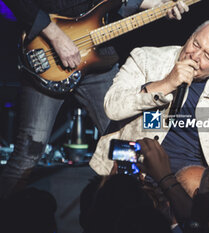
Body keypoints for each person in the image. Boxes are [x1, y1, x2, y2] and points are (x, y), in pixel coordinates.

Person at [0, 0, 189, 198]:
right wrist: (56, 36)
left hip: (100, 61)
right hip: (48, 54)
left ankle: (127, 215)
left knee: (127, 142)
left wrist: (159, 5)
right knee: (28, 153)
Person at [90, 16, 209, 175]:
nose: (194, 56)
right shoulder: (146, 59)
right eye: (195, 44)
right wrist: (167, 83)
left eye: (207, 56)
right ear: (191, 36)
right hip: (134, 174)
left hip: (189, 186)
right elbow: (112, 108)